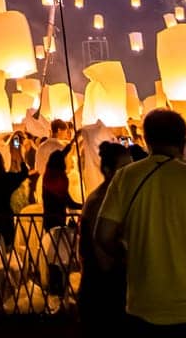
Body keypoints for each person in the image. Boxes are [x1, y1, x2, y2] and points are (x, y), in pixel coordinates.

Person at [95, 106, 186, 333]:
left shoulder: (125, 177)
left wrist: (129, 255)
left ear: (147, 140)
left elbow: (102, 235)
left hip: (144, 307)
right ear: (183, 141)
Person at [78, 141, 130, 336]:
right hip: (103, 289)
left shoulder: (116, 196)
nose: (129, 173)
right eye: (123, 168)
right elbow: (102, 256)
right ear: (108, 171)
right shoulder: (100, 201)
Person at [40, 147, 80, 228]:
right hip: (57, 221)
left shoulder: (49, 173)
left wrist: (69, 147)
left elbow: (59, 156)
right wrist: (85, 206)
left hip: (50, 220)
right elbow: (70, 203)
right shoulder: (58, 180)